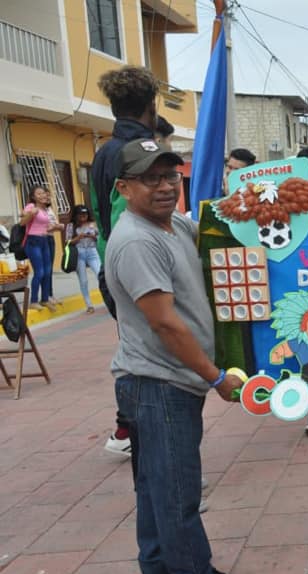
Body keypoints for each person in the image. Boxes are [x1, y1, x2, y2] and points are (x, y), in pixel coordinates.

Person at [107, 138, 255, 574]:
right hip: (159, 383)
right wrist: (216, 377)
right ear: (124, 187)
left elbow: (220, 222)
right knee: (176, 487)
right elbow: (165, 323)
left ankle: (156, 566)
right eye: (150, 178)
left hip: (158, 381)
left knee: (154, 481)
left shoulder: (173, 226)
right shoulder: (137, 241)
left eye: (171, 176)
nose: (165, 186)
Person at [91, 65, 160, 458]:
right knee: (150, 358)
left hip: (112, 270)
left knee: (135, 351)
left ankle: (126, 430)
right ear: (151, 106)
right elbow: (127, 222)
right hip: (136, 272)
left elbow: (101, 217)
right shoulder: (137, 153)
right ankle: (133, 431)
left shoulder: (103, 152)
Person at [20, 185, 61, 310]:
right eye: (38, 194)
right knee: (40, 272)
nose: (42, 195)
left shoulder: (44, 209)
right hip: (33, 242)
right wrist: (31, 214)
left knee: (48, 271)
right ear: (33, 197)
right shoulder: (31, 206)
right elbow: (22, 222)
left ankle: (44, 299)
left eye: (43, 193)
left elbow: (45, 226)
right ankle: (33, 301)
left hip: (44, 241)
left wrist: (56, 227)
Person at [65, 205, 101, 314]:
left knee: (100, 274)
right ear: (76, 215)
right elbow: (67, 242)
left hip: (92, 251)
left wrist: (92, 236)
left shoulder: (92, 224)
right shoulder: (71, 226)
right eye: (80, 214)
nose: (83, 216)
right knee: (83, 280)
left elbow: (99, 237)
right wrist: (78, 237)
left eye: (85, 214)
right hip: (79, 253)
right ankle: (89, 305)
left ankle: (108, 298)